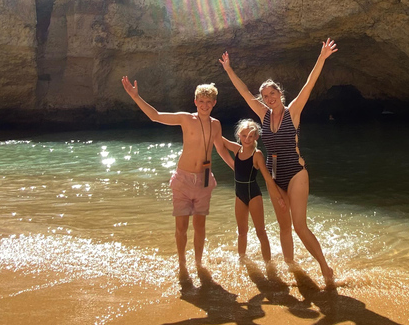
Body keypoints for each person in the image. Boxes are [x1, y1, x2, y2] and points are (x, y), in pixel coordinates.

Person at [219, 38, 337, 286]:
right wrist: (229, 69)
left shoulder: (292, 111)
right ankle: (292, 268)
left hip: (295, 174)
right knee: (284, 227)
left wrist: (322, 57)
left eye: (272, 94)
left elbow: (309, 84)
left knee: (299, 226)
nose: (268, 98)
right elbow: (243, 92)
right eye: (264, 96)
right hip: (275, 177)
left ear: (280, 95)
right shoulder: (262, 114)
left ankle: (325, 269)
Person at [121, 76, 234, 276]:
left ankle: (199, 264)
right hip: (183, 179)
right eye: (201, 101)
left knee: (200, 227)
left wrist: (237, 168)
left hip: (204, 180)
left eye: (209, 102)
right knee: (181, 227)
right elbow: (155, 116)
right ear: (195, 102)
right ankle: (182, 263)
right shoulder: (185, 118)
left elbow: (221, 149)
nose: (205, 105)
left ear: (214, 103)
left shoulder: (216, 125)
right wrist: (135, 97)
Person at [221, 119, 285, 263]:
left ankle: (269, 265)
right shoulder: (237, 149)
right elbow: (219, 139)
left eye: (251, 136)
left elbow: (268, 178)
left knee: (260, 232)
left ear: (256, 137)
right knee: (242, 232)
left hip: (253, 195)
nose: (247, 139)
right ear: (239, 135)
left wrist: (278, 198)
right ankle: (242, 261)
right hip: (239, 195)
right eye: (244, 136)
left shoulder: (257, 155)